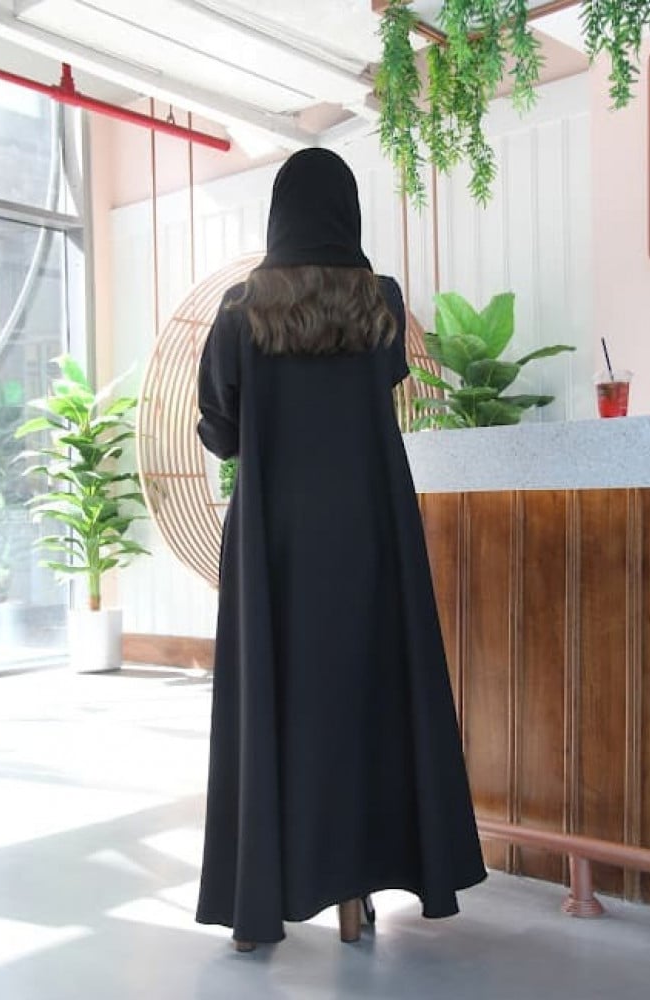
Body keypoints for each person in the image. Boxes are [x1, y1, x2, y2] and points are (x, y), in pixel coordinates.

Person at [195, 148, 486, 950]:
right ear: (347, 212)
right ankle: (356, 896)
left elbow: (218, 425)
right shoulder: (380, 300)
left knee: (273, 697)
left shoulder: (239, 307)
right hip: (368, 528)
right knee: (369, 697)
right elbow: (381, 383)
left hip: (274, 535)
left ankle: (259, 905)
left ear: (278, 213)